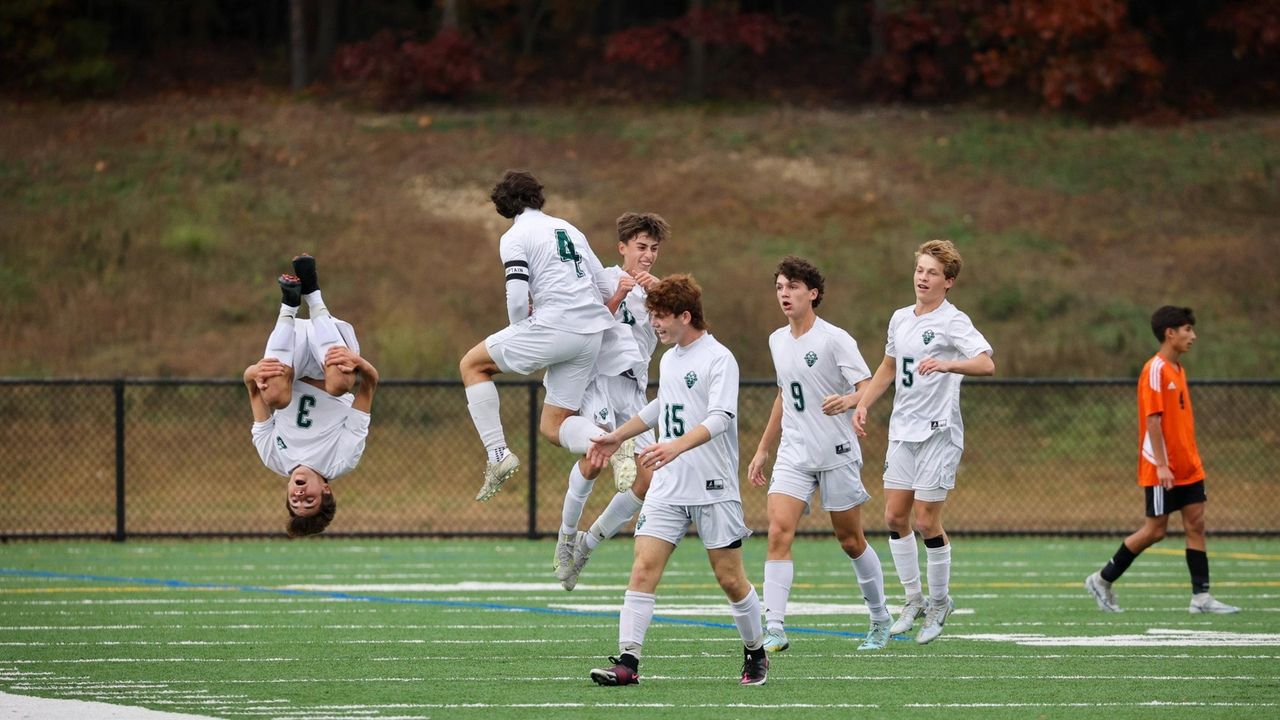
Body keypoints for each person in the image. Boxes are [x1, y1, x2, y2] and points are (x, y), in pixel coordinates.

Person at [585, 275, 769, 686]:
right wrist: (618, 436)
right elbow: (660, 406)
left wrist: (675, 447)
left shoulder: (719, 358)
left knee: (730, 579)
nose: (654, 324)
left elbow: (720, 418)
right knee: (643, 569)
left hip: (713, 486)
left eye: (661, 316)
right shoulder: (669, 359)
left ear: (686, 316)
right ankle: (628, 662)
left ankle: (756, 651)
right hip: (668, 487)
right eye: (652, 315)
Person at [747, 257, 892, 653]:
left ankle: (879, 617)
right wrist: (763, 449)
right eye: (779, 287)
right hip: (794, 453)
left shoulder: (834, 339)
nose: (784, 294)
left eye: (793, 287)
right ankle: (774, 627)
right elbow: (783, 395)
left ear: (812, 293)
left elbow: (868, 386)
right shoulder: (777, 340)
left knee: (850, 539)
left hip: (836, 451)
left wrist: (849, 400)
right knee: (778, 531)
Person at [853, 239, 994, 645]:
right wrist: (863, 404)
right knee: (894, 517)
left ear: (948, 281)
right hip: (903, 430)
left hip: (938, 432)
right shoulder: (900, 318)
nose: (923, 278)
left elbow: (986, 362)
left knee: (926, 522)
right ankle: (913, 600)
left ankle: (940, 602)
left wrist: (949, 364)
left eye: (932, 273)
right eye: (920, 270)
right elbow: (888, 366)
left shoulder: (953, 321)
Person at [459, 170, 620, 502]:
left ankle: (497, 454)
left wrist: (521, 328)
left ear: (504, 204)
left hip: (555, 326)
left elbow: (518, 300)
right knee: (553, 426)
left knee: (472, 365)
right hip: (590, 334)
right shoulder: (570, 229)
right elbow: (605, 287)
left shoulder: (515, 236)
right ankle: (614, 441)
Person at [1084, 306, 1240, 615]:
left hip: (1189, 465)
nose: (1193, 336)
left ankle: (1201, 598)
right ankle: (1101, 579)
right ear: (1170, 333)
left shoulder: (1178, 369)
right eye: (1187, 330)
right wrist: (1162, 464)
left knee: (1196, 524)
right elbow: (1153, 421)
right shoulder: (1154, 369)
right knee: (1155, 530)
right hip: (1162, 467)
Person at [555, 212, 669, 591]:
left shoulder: (660, 292)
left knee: (649, 477)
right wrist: (618, 295)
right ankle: (565, 537)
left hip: (634, 388)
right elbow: (584, 327)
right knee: (595, 458)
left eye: (654, 249)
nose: (648, 255)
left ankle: (587, 545)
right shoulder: (602, 278)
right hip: (599, 382)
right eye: (641, 247)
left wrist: (662, 299)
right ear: (622, 248)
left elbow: (679, 331)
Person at [244, 254, 379, 537]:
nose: (300, 494)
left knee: (275, 397)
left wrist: (254, 372)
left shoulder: (274, 458)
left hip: (290, 352)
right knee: (340, 384)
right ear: (326, 490)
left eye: (295, 501)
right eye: (309, 500)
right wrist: (358, 362)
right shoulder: (341, 460)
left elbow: (252, 387)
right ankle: (313, 294)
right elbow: (368, 386)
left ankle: (289, 305)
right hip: (325, 350)